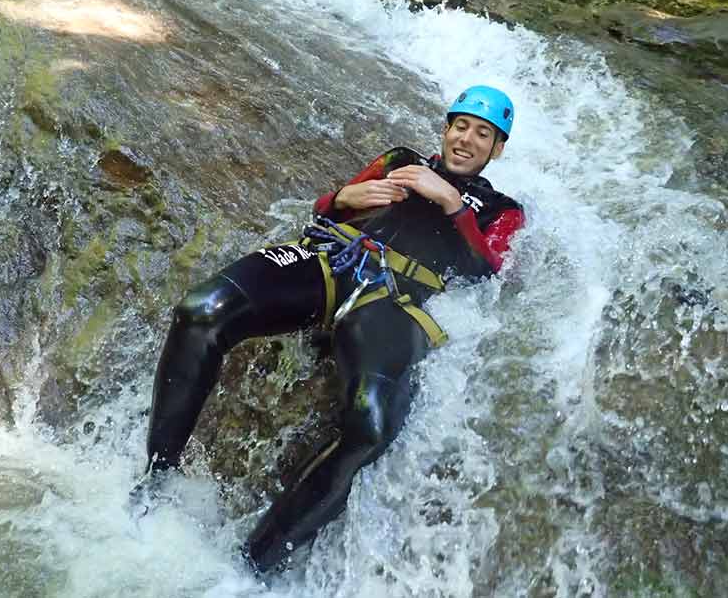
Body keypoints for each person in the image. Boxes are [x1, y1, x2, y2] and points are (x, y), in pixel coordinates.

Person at [142, 85, 525, 571]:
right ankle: (156, 482)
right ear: (447, 129)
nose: (466, 139)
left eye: (483, 133)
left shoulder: (502, 210)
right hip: (332, 261)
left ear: (498, 148)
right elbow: (326, 211)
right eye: (461, 126)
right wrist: (345, 196)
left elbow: (489, 269)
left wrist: (451, 203)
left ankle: (249, 569)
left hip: (394, 302)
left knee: (370, 424)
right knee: (201, 311)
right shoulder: (401, 161)